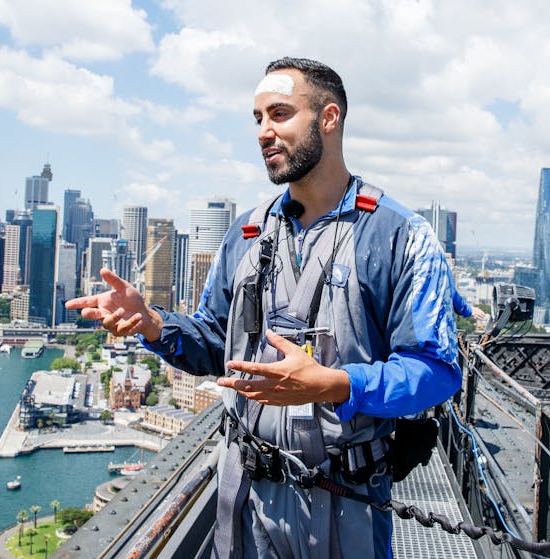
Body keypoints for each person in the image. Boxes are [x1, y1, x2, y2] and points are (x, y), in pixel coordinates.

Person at [66, 57, 461, 559]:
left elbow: (438, 369)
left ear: (329, 118)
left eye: (279, 114)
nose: (263, 132)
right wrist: (153, 323)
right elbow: (216, 343)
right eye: (257, 118)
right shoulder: (247, 234)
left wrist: (338, 385)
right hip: (246, 503)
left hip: (347, 504)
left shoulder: (398, 236)